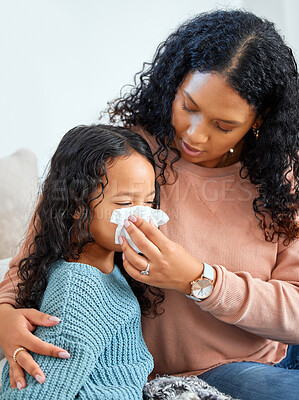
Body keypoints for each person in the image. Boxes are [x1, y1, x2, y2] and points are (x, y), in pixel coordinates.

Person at [0, 9, 298, 400]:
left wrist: (200, 280)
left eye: (223, 126)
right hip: (208, 372)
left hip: (272, 350)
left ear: (259, 120)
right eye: (188, 106)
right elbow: (40, 250)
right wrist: (4, 315)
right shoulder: (123, 155)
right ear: (173, 84)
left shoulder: (281, 180)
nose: (195, 134)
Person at [0, 124, 158, 399]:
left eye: (150, 202)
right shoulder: (78, 287)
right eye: (124, 204)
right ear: (76, 206)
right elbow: (37, 391)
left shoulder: (112, 271)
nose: (142, 218)